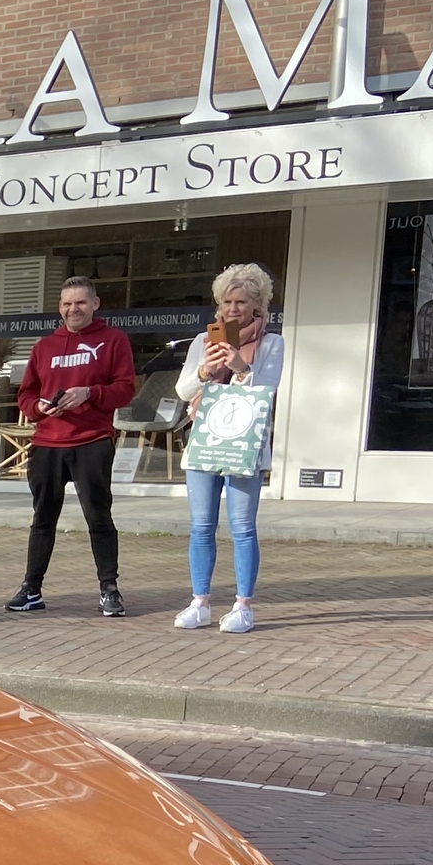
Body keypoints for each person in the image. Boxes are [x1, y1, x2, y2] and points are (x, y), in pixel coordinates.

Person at [7, 278, 137, 617]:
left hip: (91, 441)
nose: (72, 309)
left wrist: (90, 393)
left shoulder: (113, 341)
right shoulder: (44, 346)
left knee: (98, 516)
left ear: (95, 304)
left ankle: (109, 589)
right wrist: (37, 408)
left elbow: (125, 389)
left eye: (80, 303)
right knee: (43, 518)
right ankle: (31, 589)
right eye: (66, 303)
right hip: (47, 442)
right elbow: (26, 394)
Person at [173, 263, 285, 635]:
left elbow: (266, 391)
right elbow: (182, 392)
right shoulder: (201, 342)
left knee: (242, 527)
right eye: (226, 301)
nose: (232, 309)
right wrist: (204, 372)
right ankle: (200, 602)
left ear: (257, 306)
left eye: (241, 302)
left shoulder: (272, 342)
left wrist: (240, 367)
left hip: (244, 446)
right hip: (205, 440)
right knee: (201, 525)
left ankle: (242, 606)